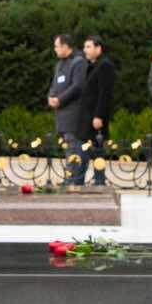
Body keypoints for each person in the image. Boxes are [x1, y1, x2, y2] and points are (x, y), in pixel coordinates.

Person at [47, 34, 87, 187]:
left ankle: (73, 181)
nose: (55, 49)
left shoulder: (79, 62)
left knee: (74, 149)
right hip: (62, 115)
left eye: (57, 46)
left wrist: (60, 99)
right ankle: (70, 178)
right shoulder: (59, 64)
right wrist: (50, 97)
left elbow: (77, 86)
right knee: (68, 148)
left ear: (65, 46)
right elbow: (54, 85)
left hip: (73, 114)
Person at [79, 35, 115, 188]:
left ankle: (99, 180)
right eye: (84, 47)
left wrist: (99, 115)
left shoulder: (105, 65)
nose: (85, 50)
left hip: (96, 116)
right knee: (89, 148)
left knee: (97, 148)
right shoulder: (91, 65)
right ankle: (87, 178)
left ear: (98, 48)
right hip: (87, 115)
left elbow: (104, 93)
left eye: (88, 47)